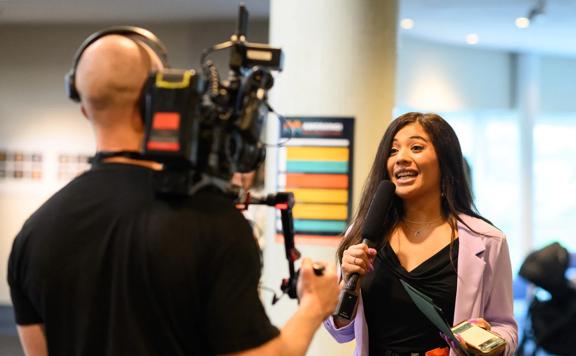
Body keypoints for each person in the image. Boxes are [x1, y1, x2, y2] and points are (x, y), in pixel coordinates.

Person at [7, 29, 339, 356]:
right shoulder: (215, 223)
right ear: (159, 99)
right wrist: (314, 307)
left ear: (83, 108)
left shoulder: (33, 234)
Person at [323, 112, 517, 355]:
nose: (401, 158)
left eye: (416, 147)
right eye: (393, 151)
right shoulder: (364, 233)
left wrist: (489, 343)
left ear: (445, 161)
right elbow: (340, 331)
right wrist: (348, 287)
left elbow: (505, 327)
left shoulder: (488, 240)